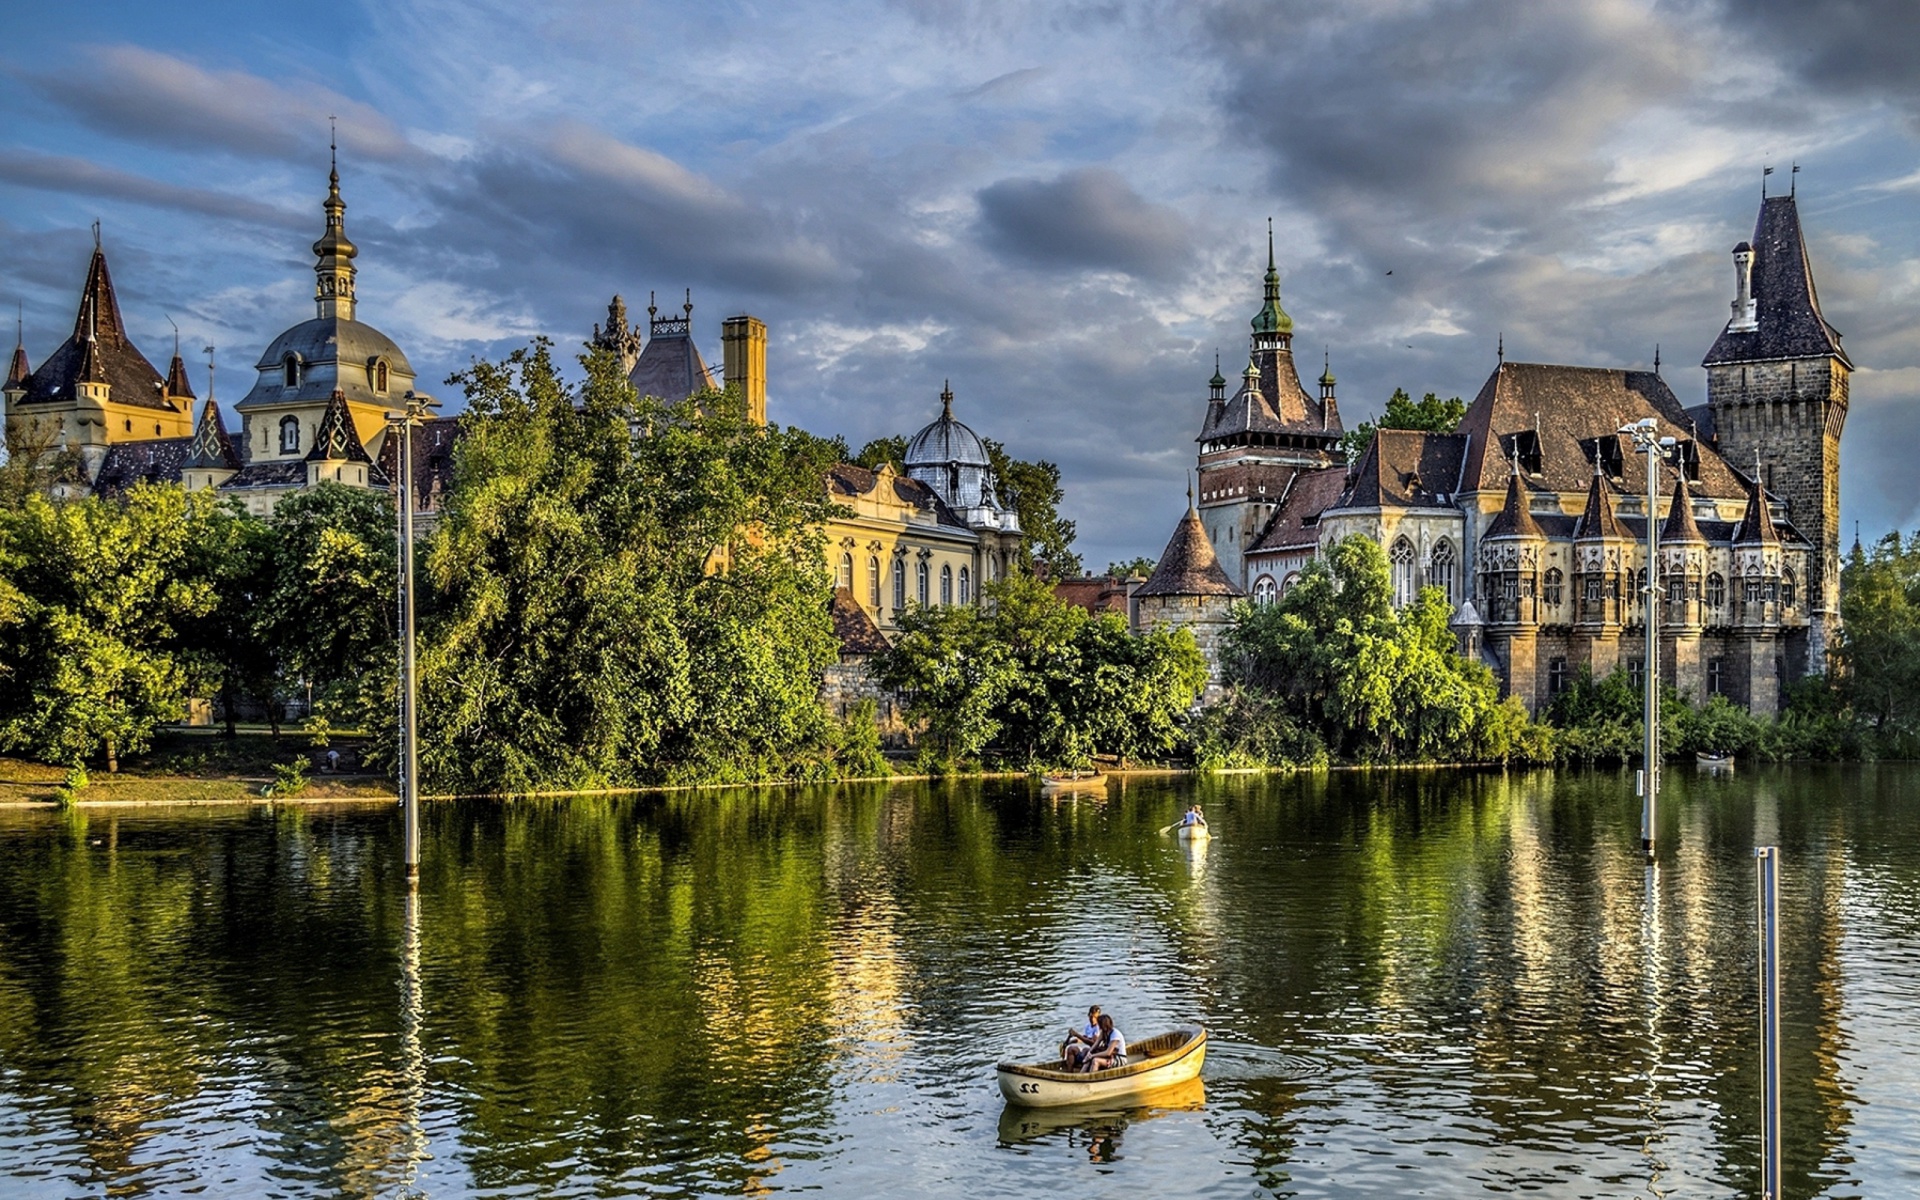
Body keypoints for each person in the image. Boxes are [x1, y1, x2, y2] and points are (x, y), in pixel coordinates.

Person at [1062, 1005, 1102, 1069]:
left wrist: (1076, 1034)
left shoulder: (1099, 1027)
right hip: (1086, 1050)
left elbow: (1093, 1043)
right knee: (1071, 1049)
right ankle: (1070, 1073)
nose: (1093, 1019)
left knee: (1085, 1050)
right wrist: (1070, 1042)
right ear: (1089, 1015)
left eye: (1095, 1017)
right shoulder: (1087, 1026)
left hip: (1096, 1051)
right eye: (1091, 1017)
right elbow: (1084, 1038)